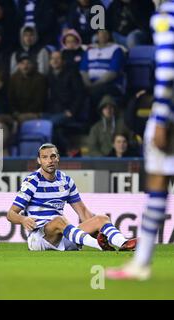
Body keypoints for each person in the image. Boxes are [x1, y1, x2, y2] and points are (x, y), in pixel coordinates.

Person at [106, 1, 174, 280]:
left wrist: (160, 118)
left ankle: (141, 263)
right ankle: (141, 262)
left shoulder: (167, 14)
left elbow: (168, 70)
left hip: (168, 112)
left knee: (157, 183)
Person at [7, 143, 137, 252]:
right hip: (39, 238)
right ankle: (99, 245)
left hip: (64, 235)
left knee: (102, 219)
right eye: (45, 157)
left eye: (53, 156)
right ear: (39, 161)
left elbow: (83, 212)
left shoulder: (66, 181)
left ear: (58, 158)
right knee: (59, 220)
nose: (50, 160)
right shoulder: (31, 182)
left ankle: (123, 243)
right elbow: (11, 214)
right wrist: (23, 219)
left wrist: (97, 228)